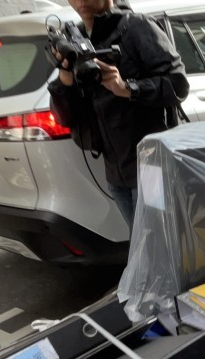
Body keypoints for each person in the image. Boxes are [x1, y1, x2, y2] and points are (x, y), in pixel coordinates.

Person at [49, 0, 189, 229]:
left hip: (152, 167)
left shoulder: (136, 26)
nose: (81, 1)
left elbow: (178, 84)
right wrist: (65, 77)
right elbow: (65, 117)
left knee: (161, 241)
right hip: (116, 174)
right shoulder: (75, 39)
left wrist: (127, 88)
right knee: (143, 243)